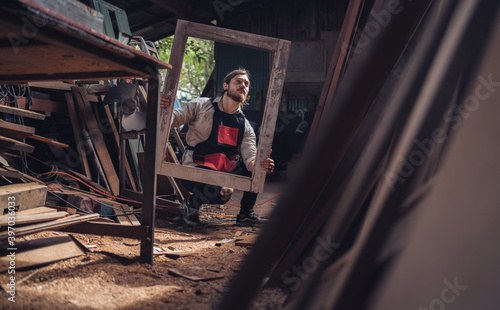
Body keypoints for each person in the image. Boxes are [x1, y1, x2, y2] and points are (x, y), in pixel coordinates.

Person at [160, 68, 274, 226]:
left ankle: (245, 214)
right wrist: (162, 108)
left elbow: (249, 157)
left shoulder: (246, 126)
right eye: (238, 81)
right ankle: (192, 203)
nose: (243, 85)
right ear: (226, 86)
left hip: (221, 173)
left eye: (246, 84)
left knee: (252, 174)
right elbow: (173, 119)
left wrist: (260, 166)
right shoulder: (200, 106)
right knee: (223, 191)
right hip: (194, 168)